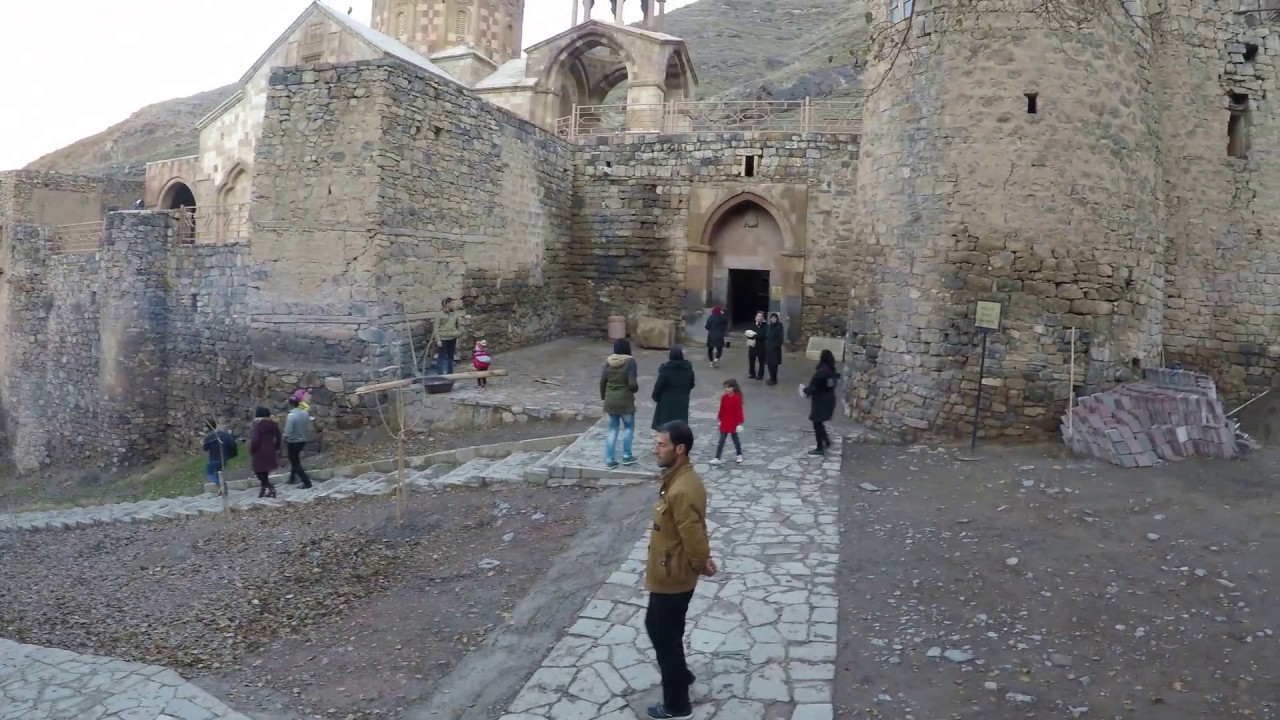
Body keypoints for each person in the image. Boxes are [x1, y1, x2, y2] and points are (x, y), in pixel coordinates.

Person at [645, 420, 716, 720]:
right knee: (656, 627)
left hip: (673, 578)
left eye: (661, 445)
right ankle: (682, 676)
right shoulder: (679, 479)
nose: (655, 450)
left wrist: (702, 561)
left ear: (680, 449)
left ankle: (677, 704)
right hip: (667, 573)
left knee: (666, 639)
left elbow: (693, 533)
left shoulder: (683, 488)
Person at [600, 338, 640, 468]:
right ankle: (627, 456)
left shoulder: (608, 362)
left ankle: (610, 459)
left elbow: (602, 381)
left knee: (612, 430)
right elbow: (632, 383)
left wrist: (604, 397)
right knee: (628, 428)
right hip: (625, 401)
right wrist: (634, 389)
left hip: (611, 401)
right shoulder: (630, 362)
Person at [802, 348, 841, 456]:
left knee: (817, 423)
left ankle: (820, 447)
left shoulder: (821, 373)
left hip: (820, 402)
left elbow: (814, 388)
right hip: (829, 400)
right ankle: (826, 441)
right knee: (819, 422)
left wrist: (805, 390)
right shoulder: (832, 371)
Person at [651, 345, 695, 430]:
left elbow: (659, 386)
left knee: (665, 427)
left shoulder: (666, 370)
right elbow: (692, 384)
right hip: (682, 401)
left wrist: (656, 397)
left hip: (666, 402)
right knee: (679, 427)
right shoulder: (688, 369)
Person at [249, 405, 282, 498]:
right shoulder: (273, 425)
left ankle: (270, 488)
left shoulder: (259, 426)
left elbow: (256, 440)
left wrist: (252, 450)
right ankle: (263, 490)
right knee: (264, 472)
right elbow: (278, 437)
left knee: (259, 472)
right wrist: (276, 447)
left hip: (260, 452)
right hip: (270, 450)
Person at [711, 379, 745, 465]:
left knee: (735, 439)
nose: (727, 389)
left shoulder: (737, 398)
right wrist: (720, 418)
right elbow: (721, 409)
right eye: (725, 387)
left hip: (733, 422)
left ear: (733, 388)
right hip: (725, 421)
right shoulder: (724, 397)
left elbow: (739, 411)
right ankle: (717, 457)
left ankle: (739, 455)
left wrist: (739, 422)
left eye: (728, 387)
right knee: (721, 440)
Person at [283, 397, 313, 488]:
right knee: (295, 459)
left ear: (290, 404)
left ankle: (307, 482)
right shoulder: (305, 413)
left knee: (294, 462)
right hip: (302, 440)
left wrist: (284, 438)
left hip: (293, 441)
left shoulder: (291, 416)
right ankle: (292, 478)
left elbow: (288, 431)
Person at [201, 418, 237, 490]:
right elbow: (233, 444)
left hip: (214, 460)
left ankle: (222, 486)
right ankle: (222, 490)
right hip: (224, 459)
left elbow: (205, 448)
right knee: (219, 474)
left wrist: (202, 443)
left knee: (210, 473)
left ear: (207, 428)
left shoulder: (209, 438)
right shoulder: (224, 434)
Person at [436, 297, 463, 376]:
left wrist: (459, 333)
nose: (453, 305)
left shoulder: (455, 314)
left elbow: (459, 325)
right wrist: (438, 340)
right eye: (452, 303)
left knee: (450, 356)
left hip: (452, 338)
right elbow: (436, 328)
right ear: (447, 304)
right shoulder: (439, 315)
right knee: (442, 357)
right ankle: (440, 374)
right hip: (443, 339)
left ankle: (450, 374)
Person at [764, 312, 785, 385]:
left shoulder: (779, 326)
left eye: (775, 318)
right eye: (772, 318)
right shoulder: (769, 326)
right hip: (768, 349)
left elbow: (781, 339)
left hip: (775, 350)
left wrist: (775, 346)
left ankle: (774, 379)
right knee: (769, 364)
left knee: (774, 365)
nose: (773, 319)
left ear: (777, 319)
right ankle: (771, 378)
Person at [746, 311, 767, 380]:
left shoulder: (765, 326)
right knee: (751, 359)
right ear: (755, 317)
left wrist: (754, 335)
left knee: (761, 361)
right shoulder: (753, 325)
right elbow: (749, 333)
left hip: (761, 346)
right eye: (758, 316)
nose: (759, 318)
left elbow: (761, 335)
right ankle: (752, 373)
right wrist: (750, 335)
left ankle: (760, 375)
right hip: (752, 345)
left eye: (761, 316)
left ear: (763, 318)